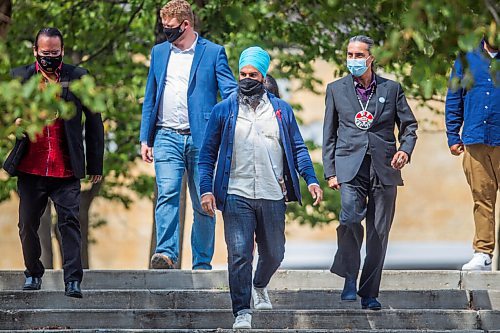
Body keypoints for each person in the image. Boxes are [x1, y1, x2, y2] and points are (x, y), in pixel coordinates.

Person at [199, 46, 323, 329]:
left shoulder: (281, 111)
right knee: (240, 253)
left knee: (275, 252)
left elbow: (298, 148)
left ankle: (259, 284)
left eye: (252, 74)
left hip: (271, 192)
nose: (246, 79)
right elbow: (206, 156)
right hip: (236, 193)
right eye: (242, 73)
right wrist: (206, 189)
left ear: (263, 76)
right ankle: (242, 311)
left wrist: (311, 179)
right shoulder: (223, 111)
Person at [3, 27, 104, 298]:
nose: (50, 57)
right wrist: (15, 123)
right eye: (45, 53)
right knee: (27, 225)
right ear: (35, 51)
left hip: (65, 167)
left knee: (70, 222)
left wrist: (95, 165)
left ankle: (73, 280)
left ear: (62, 50)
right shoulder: (19, 78)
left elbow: (95, 123)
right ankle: (33, 273)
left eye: (55, 53)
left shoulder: (79, 78)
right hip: (31, 167)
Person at [139, 0, 237, 270]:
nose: (165, 31)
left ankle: (202, 263)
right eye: (163, 26)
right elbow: (151, 96)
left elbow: (229, 91)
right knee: (167, 194)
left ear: (186, 24)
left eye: (170, 27)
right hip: (166, 135)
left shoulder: (213, 52)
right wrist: (145, 138)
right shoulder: (159, 52)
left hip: (203, 139)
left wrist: (234, 120)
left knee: (203, 201)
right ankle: (166, 254)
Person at [322, 35, 417, 310]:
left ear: (371, 58)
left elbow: (409, 126)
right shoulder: (336, 89)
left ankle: (369, 293)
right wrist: (330, 171)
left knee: (378, 232)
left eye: (358, 55)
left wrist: (405, 151)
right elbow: (328, 134)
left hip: (384, 167)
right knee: (350, 217)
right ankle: (350, 275)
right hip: (349, 167)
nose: (353, 59)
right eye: (350, 54)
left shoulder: (392, 88)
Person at [445, 37, 499, 271]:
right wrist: (453, 135)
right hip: (476, 137)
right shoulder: (466, 57)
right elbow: (454, 97)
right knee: (482, 198)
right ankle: (483, 253)